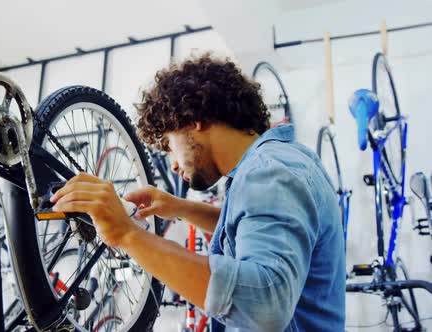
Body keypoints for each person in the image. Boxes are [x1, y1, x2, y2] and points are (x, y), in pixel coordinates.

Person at [50, 53, 345, 331]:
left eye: (169, 146)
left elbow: (263, 305)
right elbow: (253, 232)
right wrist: (181, 208)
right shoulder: (273, 167)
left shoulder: (270, 172)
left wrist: (127, 234)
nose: (174, 164)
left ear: (193, 119)